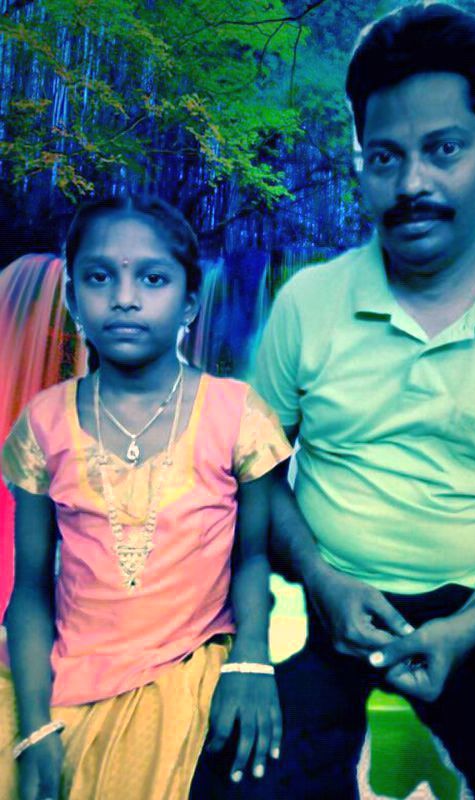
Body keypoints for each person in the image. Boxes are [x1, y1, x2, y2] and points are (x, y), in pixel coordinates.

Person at [195, 4, 475, 799]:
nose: (412, 184)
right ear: (362, 167)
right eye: (385, 157)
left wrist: (472, 625)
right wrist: (321, 581)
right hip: (325, 596)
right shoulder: (308, 304)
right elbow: (257, 476)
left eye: (444, 149)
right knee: (236, 779)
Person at [0, 195, 292, 800]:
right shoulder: (44, 423)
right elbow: (28, 589)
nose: (125, 298)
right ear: (72, 299)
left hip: (184, 666)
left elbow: (254, 557)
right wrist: (34, 725)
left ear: (191, 302)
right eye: (99, 278)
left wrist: (252, 659)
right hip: (63, 670)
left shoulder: (237, 414)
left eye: (153, 279)